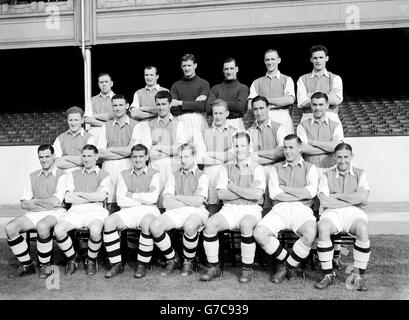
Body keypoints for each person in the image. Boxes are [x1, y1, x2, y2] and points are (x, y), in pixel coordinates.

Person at [200, 131, 266, 283]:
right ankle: (214, 267)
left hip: (251, 209)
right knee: (210, 225)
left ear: (249, 147)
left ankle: (247, 269)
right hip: (229, 209)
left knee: (246, 224)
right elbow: (222, 195)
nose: (240, 149)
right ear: (233, 147)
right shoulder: (225, 168)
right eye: (236, 145)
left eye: (243, 145)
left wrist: (233, 187)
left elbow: (257, 196)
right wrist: (246, 192)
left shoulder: (258, 168)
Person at [253, 134, 319, 284]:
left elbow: (311, 192)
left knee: (310, 234)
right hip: (280, 209)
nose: (288, 151)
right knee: (259, 233)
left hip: (302, 210)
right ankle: (288, 261)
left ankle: (286, 267)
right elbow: (275, 194)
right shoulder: (275, 168)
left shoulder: (311, 168)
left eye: (291, 147)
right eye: (285, 148)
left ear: (300, 148)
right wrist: (300, 194)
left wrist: (286, 189)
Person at [5, 144, 68, 278]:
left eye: (47, 157)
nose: (44, 160)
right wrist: (44, 203)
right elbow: (24, 203)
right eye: (41, 157)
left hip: (56, 213)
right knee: (10, 228)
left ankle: (45, 266)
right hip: (35, 213)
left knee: (42, 226)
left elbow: (56, 202)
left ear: (53, 157)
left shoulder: (63, 175)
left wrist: (35, 201)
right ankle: (28, 265)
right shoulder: (32, 176)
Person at [315, 143, 371, 291]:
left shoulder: (361, 173)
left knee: (363, 228)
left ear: (351, 157)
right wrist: (353, 199)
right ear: (334, 157)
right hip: (332, 212)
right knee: (323, 227)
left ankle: (358, 276)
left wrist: (338, 196)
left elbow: (363, 197)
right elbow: (325, 201)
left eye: (346, 157)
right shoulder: (326, 175)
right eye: (339, 157)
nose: (343, 160)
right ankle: (328, 275)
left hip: (353, 213)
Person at [150, 143, 209, 276]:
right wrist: (189, 201)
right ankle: (173, 259)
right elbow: (166, 202)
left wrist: (178, 197)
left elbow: (199, 201)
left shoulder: (202, 176)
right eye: (181, 157)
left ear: (194, 157)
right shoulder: (173, 175)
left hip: (197, 211)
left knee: (190, 225)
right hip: (176, 211)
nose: (183, 160)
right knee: (155, 226)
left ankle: (189, 261)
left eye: (187, 156)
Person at [103, 144, 161, 279]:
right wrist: (143, 197)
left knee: (147, 223)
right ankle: (116, 264)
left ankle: (142, 264)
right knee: (109, 222)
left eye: (141, 156)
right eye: (134, 156)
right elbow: (121, 200)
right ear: (131, 158)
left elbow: (153, 199)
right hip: (128, 210)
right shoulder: (123, 174)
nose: (138, 160)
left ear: (147, 157)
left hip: (149, 210)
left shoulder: (155, 174)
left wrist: (132, 195)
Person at [54, 144, 111, 275]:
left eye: (90, 156)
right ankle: (72, 258)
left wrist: (79, 194)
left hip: (96, 210)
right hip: (76, 210)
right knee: (58, 230)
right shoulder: (72, 174)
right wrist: (93, 196)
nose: (86, 159)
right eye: (84, 156)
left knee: (96, 230)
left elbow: (102, 196)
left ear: (96, 157)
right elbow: (68, 198)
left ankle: (91, 260)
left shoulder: (105, 175)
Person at [133, 90, 189, 191]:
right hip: (155, 170)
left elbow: (181, 150)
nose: (161, 107)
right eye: (158, 104)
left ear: (170, 104)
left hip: (175, 169)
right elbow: (148, 153)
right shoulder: (148, 125)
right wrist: (171, 151)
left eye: (164, 104)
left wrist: (158, 147)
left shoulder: (179, 124)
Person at [247, 95, 289, 208]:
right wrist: (273, 154)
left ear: (268, 108)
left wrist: (258, 154)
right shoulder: (249, 132)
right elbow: (248, 157)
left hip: (276, 169)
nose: (259, 112)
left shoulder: (279, 127)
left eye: (261, 108)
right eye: (255, 109)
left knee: (276, 205)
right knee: (259, 205)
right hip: (257, 171)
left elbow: (282, 152)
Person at [97, 94, 138, 206]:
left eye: (121, 105)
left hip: (128, 168)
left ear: (127, 106)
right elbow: (100, 152)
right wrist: (126, 151)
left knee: (127, 203)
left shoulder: (136, 125)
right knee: (110, 205)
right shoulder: (105, 126)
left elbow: (133, 152)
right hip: (109, 169)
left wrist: (110, 149)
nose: (118, 108)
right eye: (115, 105)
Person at [197, 99, 235, 209]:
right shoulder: (204, 133)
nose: (218, 117)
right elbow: (200, 159)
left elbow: (233, 155)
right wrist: (224, 158)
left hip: (228, 175)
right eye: (215, 113)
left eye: (221, 113)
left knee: (228, 209)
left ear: (227, 114)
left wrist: (209, 154)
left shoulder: (235, 132)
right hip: (209, 176)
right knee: (211, 208)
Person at [248, 49, 295, 134]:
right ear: (264, 61)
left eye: (273, 59)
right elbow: (250, 105)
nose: (270, 62)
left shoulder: (287, 79)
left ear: (279, 60)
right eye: (267, 60)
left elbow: (289, 100)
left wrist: (264, 101)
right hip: (262, 117)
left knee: (285, 144)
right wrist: (279, 101)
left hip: (282, 117)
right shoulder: (256, 82)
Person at [296, 45, 343, 124]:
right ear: (311, 59)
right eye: (315, 58)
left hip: (330, 116)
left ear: (326, 58)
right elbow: (301, 102)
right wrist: (327, 97)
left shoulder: (335, 78)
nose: (318, 61)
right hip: (308, 116)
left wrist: (310, 95)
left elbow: (336, 100)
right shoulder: (302, 79)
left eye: (321, 57)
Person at [297, 92, 344, 169]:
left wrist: (312, 142)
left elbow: (337, 147)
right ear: (311, 106)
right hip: (309, 170)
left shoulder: (336, 125)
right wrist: (329, 149)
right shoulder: (302, 125)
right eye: (314, 104)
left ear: (327, 105)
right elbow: (303, 148)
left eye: (321, 104)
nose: (317, 108)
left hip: (331, 169)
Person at [170, 53, 210, 141]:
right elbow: (173, 109)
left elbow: (202, 106)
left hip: (198, 121)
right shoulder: (176, 86)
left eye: (189, 65)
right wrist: (194, 104)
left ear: (195, 65)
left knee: (200, 150)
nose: (187, 68)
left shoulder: (204, 84)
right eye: (184, 65)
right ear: (181, 66)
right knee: (181, 150)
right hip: (180, 121)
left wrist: (180, 103)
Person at [206, 58, 249, 131]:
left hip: (236, 123)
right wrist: (233, 104)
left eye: (231, 68)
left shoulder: (243, 88)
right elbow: (209, 109)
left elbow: (239, 107)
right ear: (223, 70)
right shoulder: (215, 89)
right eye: (226, 69)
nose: (229, 71)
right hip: (217, 123)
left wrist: (217, 104)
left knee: (238, 142)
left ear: (237, 69)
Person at [53, 106, 96, 172]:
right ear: (67, 120)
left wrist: (66, 158)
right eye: (70, 120)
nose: (73, 123)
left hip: (83, 176)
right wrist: (80, 162)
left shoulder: (90, 138)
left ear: (82, 120)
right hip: (64, 177)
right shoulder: (59, 139)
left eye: (76, 120)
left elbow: (89, 160)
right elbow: (58, 163)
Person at [84, 73, 115, 144]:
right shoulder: (92, 100)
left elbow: (115, 115)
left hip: (111, 132)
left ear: (111, 83)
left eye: (106, 81)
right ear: (98, 84)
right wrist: (105, 124)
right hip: (94, 133)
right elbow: (87, 119)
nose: (104, 84)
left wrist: (94, 116)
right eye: (101, 82)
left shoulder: (117, 99)